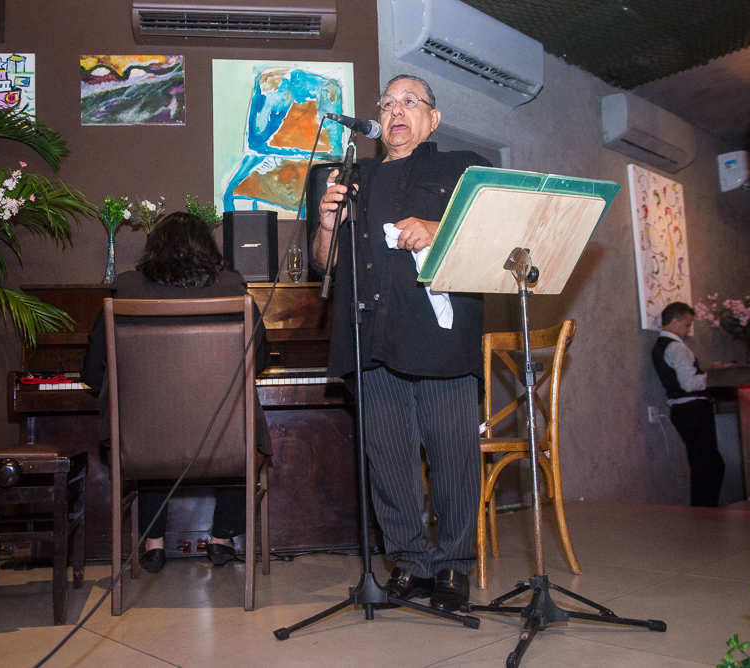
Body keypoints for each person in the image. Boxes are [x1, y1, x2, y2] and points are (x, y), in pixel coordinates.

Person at [311, 74, 491, 612]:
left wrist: (438, 229)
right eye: (388, 102)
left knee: (454, 456)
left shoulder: (462, 167)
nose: (396, 110)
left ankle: (455, 565)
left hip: (440, 338)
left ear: (433, 118)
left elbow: (491, 236)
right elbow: (323, 264)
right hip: (371, 335)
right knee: (389, 461)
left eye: (411, 101)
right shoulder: (352, 176)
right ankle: (410, 563)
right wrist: (327, 226)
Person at [81, 211, 271, 573]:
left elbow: (92, 372)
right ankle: (222, 537)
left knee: (151, 425)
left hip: (143, 444)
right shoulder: (233, 288)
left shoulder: (125, 290)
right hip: (224, 441)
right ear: (209, 250)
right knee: (242, 429)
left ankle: (153, 543)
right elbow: (258, 363)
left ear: (153, 249)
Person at [651, 302, 726, 507]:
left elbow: (681, 379)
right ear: (675, 322)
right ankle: (704, 514)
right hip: (694, 409)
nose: (688, 330)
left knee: (705, 465)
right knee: (709, 467)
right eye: (687, 324)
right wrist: (715, 376)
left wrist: (706, 372)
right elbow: (689, 384)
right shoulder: (677, 347)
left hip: (682, 410)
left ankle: (703, 514)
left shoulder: (661, 346)